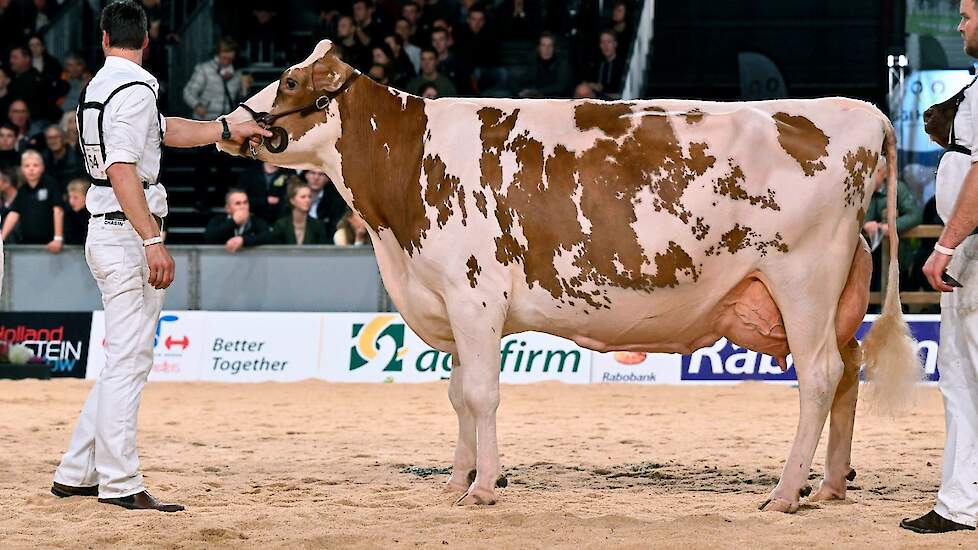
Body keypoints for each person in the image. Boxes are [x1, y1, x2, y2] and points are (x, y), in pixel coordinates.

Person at [51, 0, 270, 513]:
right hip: (126, 233)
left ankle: (76, 471)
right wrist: (152, 239)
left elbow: (162, 129)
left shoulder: (101, 86)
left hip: (109, 228)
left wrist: (222, 129)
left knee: (122, 359)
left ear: (104, 39)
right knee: (129, 361)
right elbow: (124, 167)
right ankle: (121, 482)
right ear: (147, 42)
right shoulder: (133, 88)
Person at [910, 0, 978, 534]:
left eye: (966, 18)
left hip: (974, 253)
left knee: (963, 378)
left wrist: (947, 246)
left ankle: (961, 505)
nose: (959, 27)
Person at [862, 155, 922, 291]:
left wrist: (890, 227)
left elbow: (915, 215)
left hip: (896, 255)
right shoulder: (861, 191)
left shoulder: (897, 189)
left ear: (883, 173)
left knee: (898, 292)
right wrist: (865, 224)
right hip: (868, 257)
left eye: (874, 172)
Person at [0, 149, 63, 250]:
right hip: (28, 244)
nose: (31, 169)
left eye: (35, 165)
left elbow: (58, 211)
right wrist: (1, 239)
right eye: (27, 166)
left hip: (50, 244)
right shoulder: (22, 190)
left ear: (42, 167)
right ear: (22, 169)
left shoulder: (50, 184)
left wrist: (58, 238)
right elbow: (13, 214)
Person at [182, 37, 252, 122]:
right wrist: (197, 105)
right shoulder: (204, 69)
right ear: (218, 54)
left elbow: (241, 98)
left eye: (229, 59)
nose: (226, 61)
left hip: (226, 120)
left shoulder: (237, 73)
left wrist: (245, 88)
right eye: (224, 58)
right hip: (204, 120)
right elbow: (188, 92)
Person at [204, 188, 273, 253]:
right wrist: (233, 222)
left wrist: (243, 240)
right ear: (228, 208)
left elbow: (267, 237)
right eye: (238, 203)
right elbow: (209, 238)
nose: (243, 207)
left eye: (245, 203)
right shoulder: (217, 220)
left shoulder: (257, 221)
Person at [271, 178, 328, 245]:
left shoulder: (318, 225)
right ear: (292, 200)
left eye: (309, 197)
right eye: (303, 197)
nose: (307, 200)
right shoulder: (281, 225)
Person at [518, 32, 572, 98]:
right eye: (543, 45)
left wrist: (536, 92)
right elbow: (521, 80)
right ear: (539, 47)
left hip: (556, 100)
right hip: (535, 99)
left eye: (550, 45)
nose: (547, 49)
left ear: (554, 48)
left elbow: (560, 87)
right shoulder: (532, 61)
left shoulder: (562, 63)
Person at [584, 30, 625, 98]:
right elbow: (586, 81)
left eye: (609, 42)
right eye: (603, 42)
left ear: (615, 44)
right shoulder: (598, 63)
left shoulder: (622, 65)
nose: (605, 46)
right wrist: (592, 85)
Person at [42, 125, 83, 192]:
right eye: (49, 138)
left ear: (64, 139)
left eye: (56, 137)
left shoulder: (77, 158)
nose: (53, 141)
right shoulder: (43, 160)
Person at [305, 169, 345, 237]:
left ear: (327, 179)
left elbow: (333, 228)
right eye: (312, 173)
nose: (316, 178)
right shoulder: (295, 198)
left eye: (321, 174)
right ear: (306, 175)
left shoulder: (335, 202)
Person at [62, 178, 90, 245]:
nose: (71, 201)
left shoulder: (94, 214)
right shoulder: (68, 212)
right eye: (70, 197)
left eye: (75, 197)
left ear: (87, 197)